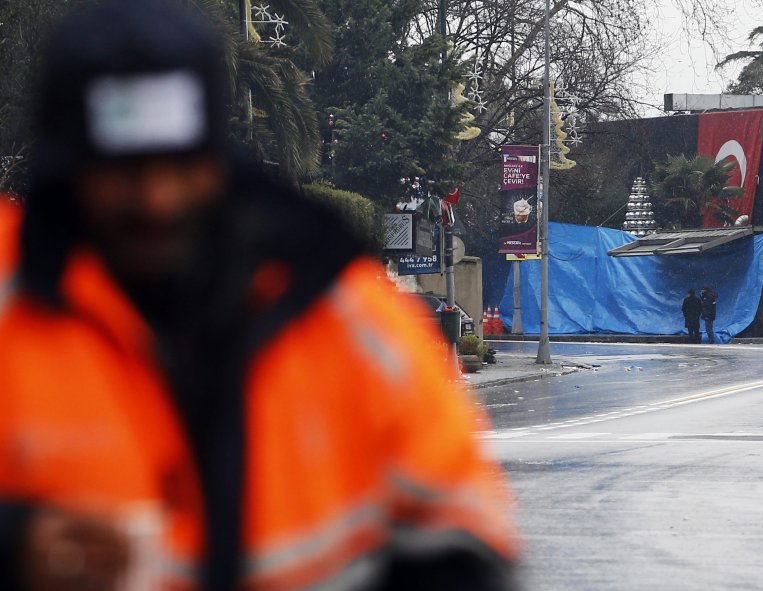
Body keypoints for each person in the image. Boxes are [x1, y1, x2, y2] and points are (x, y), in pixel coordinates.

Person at [0, 2, 518, 590]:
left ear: (218, 157)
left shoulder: (337, 313)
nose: (156, 199)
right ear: (66, 165)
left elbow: (468, 533)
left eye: (178, 162)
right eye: (124, 170)